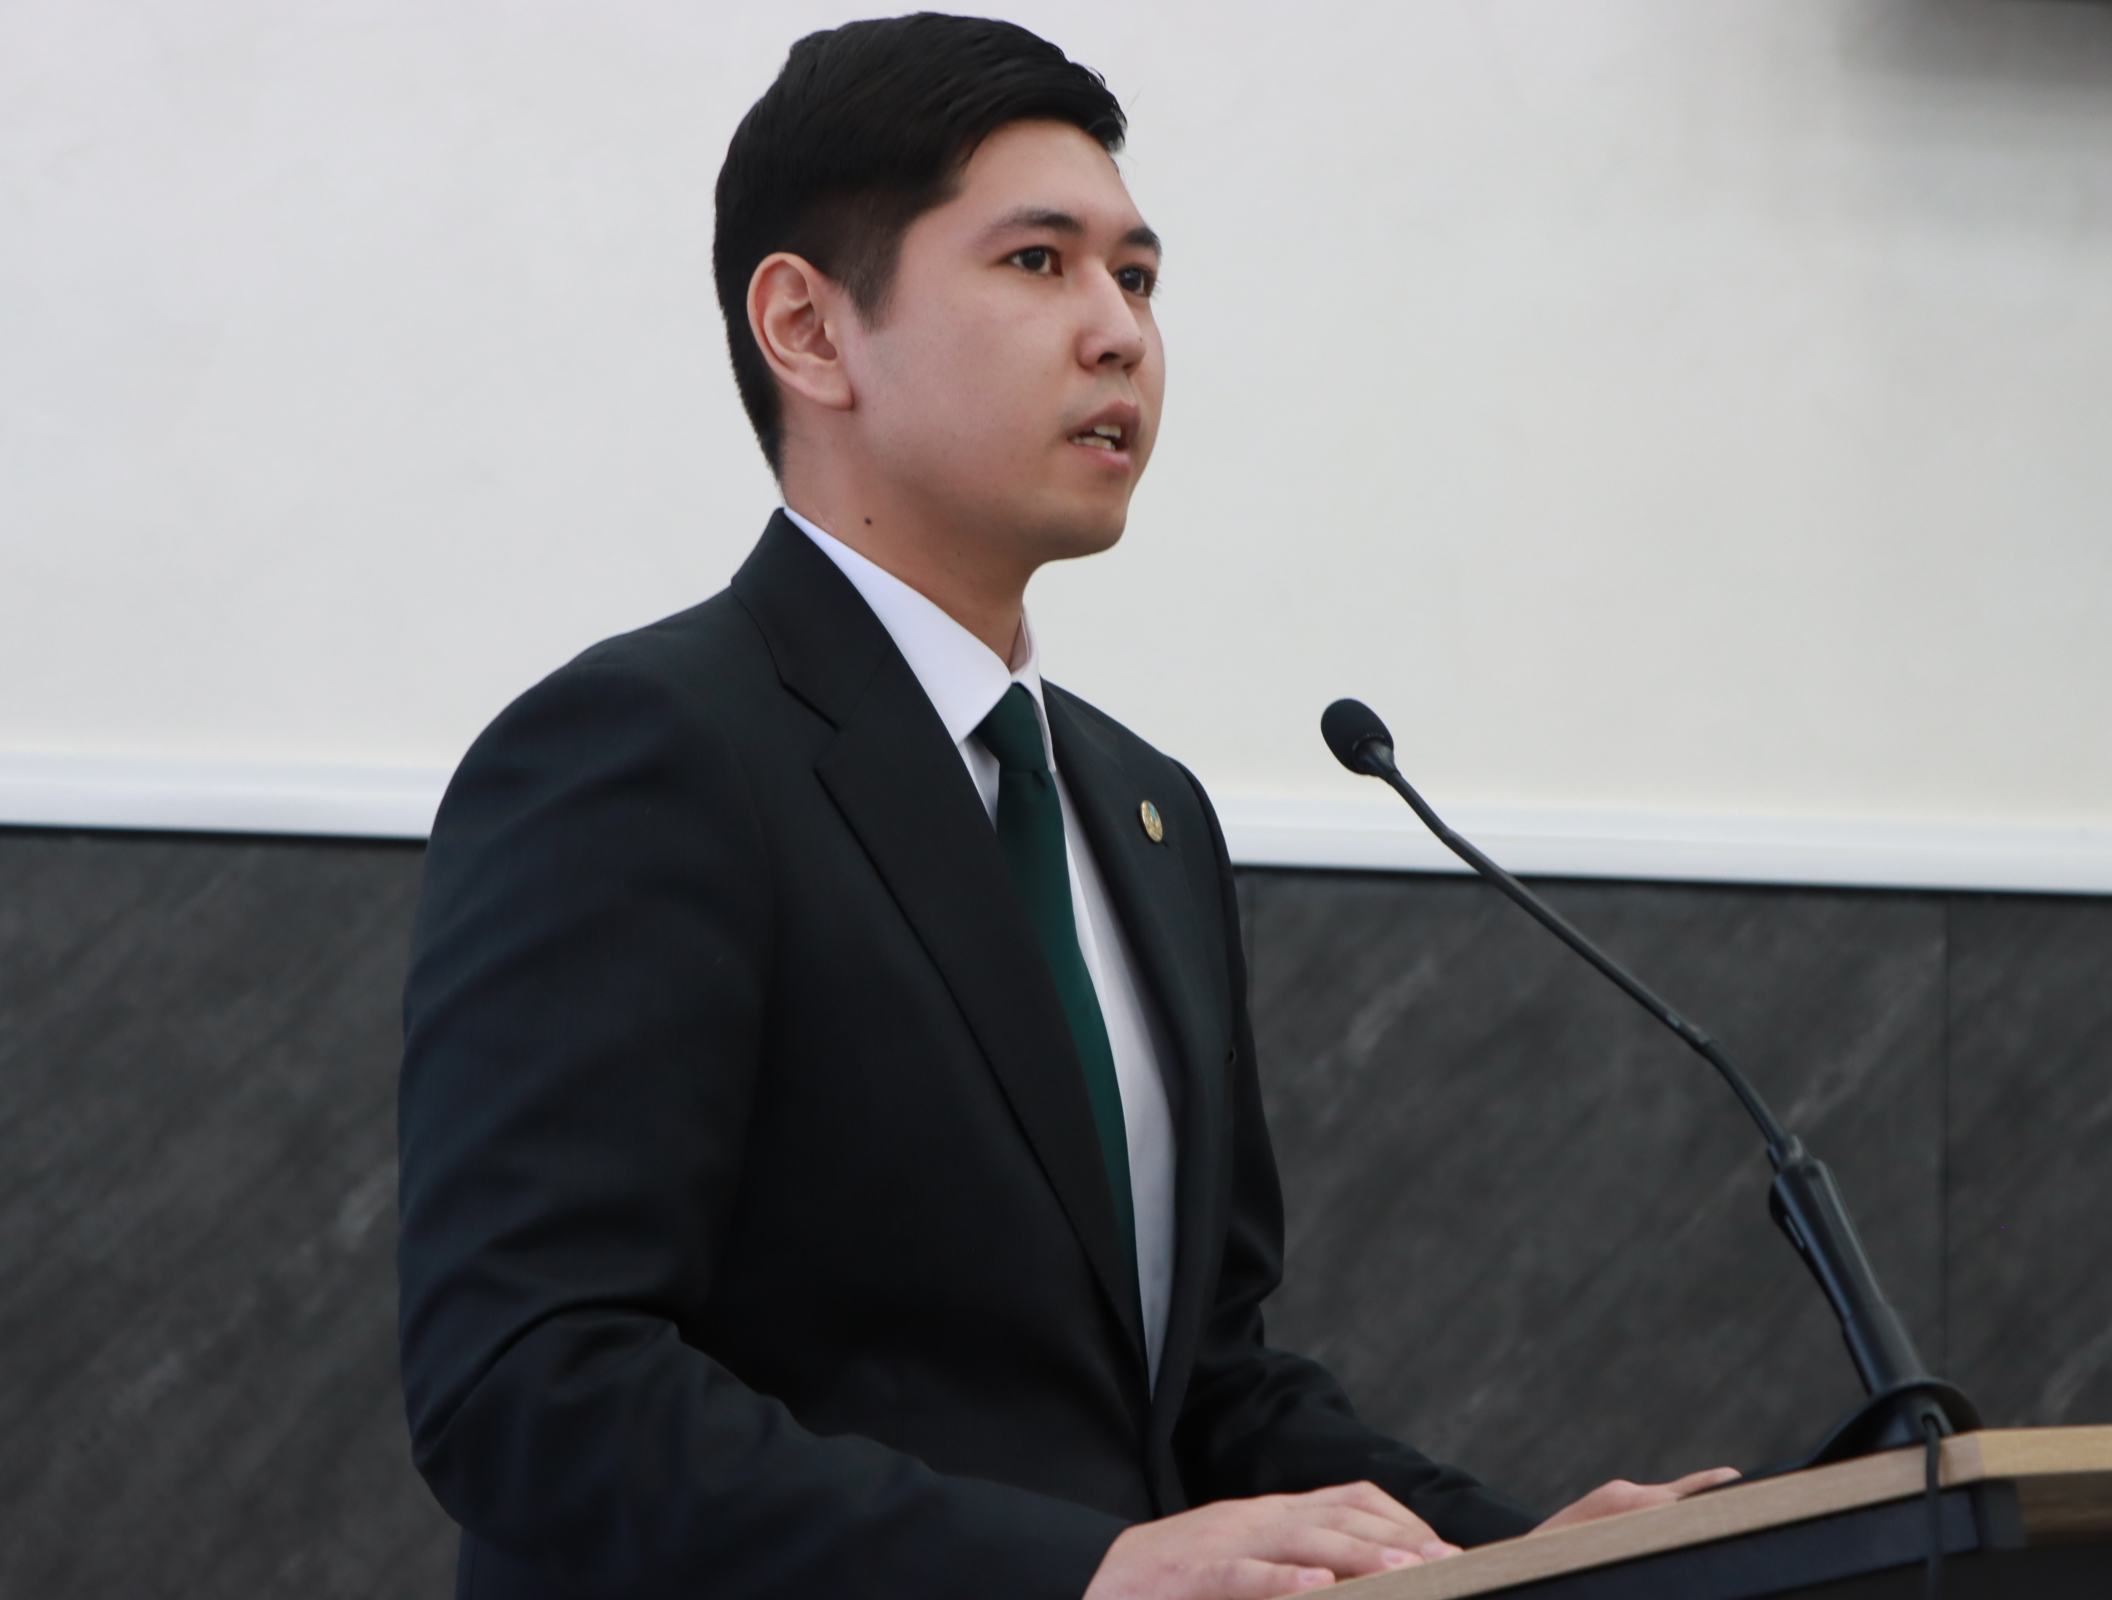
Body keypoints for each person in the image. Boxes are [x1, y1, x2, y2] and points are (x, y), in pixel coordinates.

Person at [396, 15, 1734, 1600]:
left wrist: (1514, 1558)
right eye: (1039, 263)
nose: (1119, 333)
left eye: (1140, 277)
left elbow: (1204, 1388)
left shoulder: (1144, 813)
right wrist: (1078, 1570)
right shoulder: (645, 753)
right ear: (809, 330)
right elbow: (532, 1388)